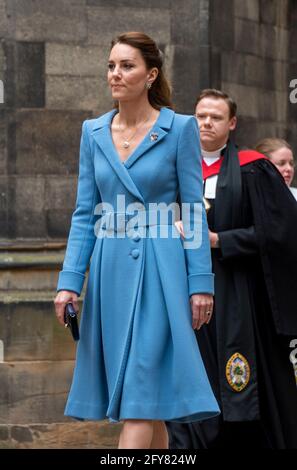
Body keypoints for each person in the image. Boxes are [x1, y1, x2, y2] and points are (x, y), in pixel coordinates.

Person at [54, 33, 219, 449]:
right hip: (110, 272)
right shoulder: (92, 132)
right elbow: (84, 212)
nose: (116, 74)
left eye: (127, 66)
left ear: (151, 75)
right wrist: (69, 280)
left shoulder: (180, 128)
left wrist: (201, 282)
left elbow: (193, 211)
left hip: (161, 270)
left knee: (139, 397)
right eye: (111, 65)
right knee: (149, 400)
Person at [167, 89, 297, 449]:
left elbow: (279, 233)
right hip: (181, 290)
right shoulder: (174, 167)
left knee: (237, 380)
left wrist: (219, 240)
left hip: (237, 294)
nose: (206, 123)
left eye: (216, 117)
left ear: (232, 123)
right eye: (200, 116)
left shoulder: (254, 168)